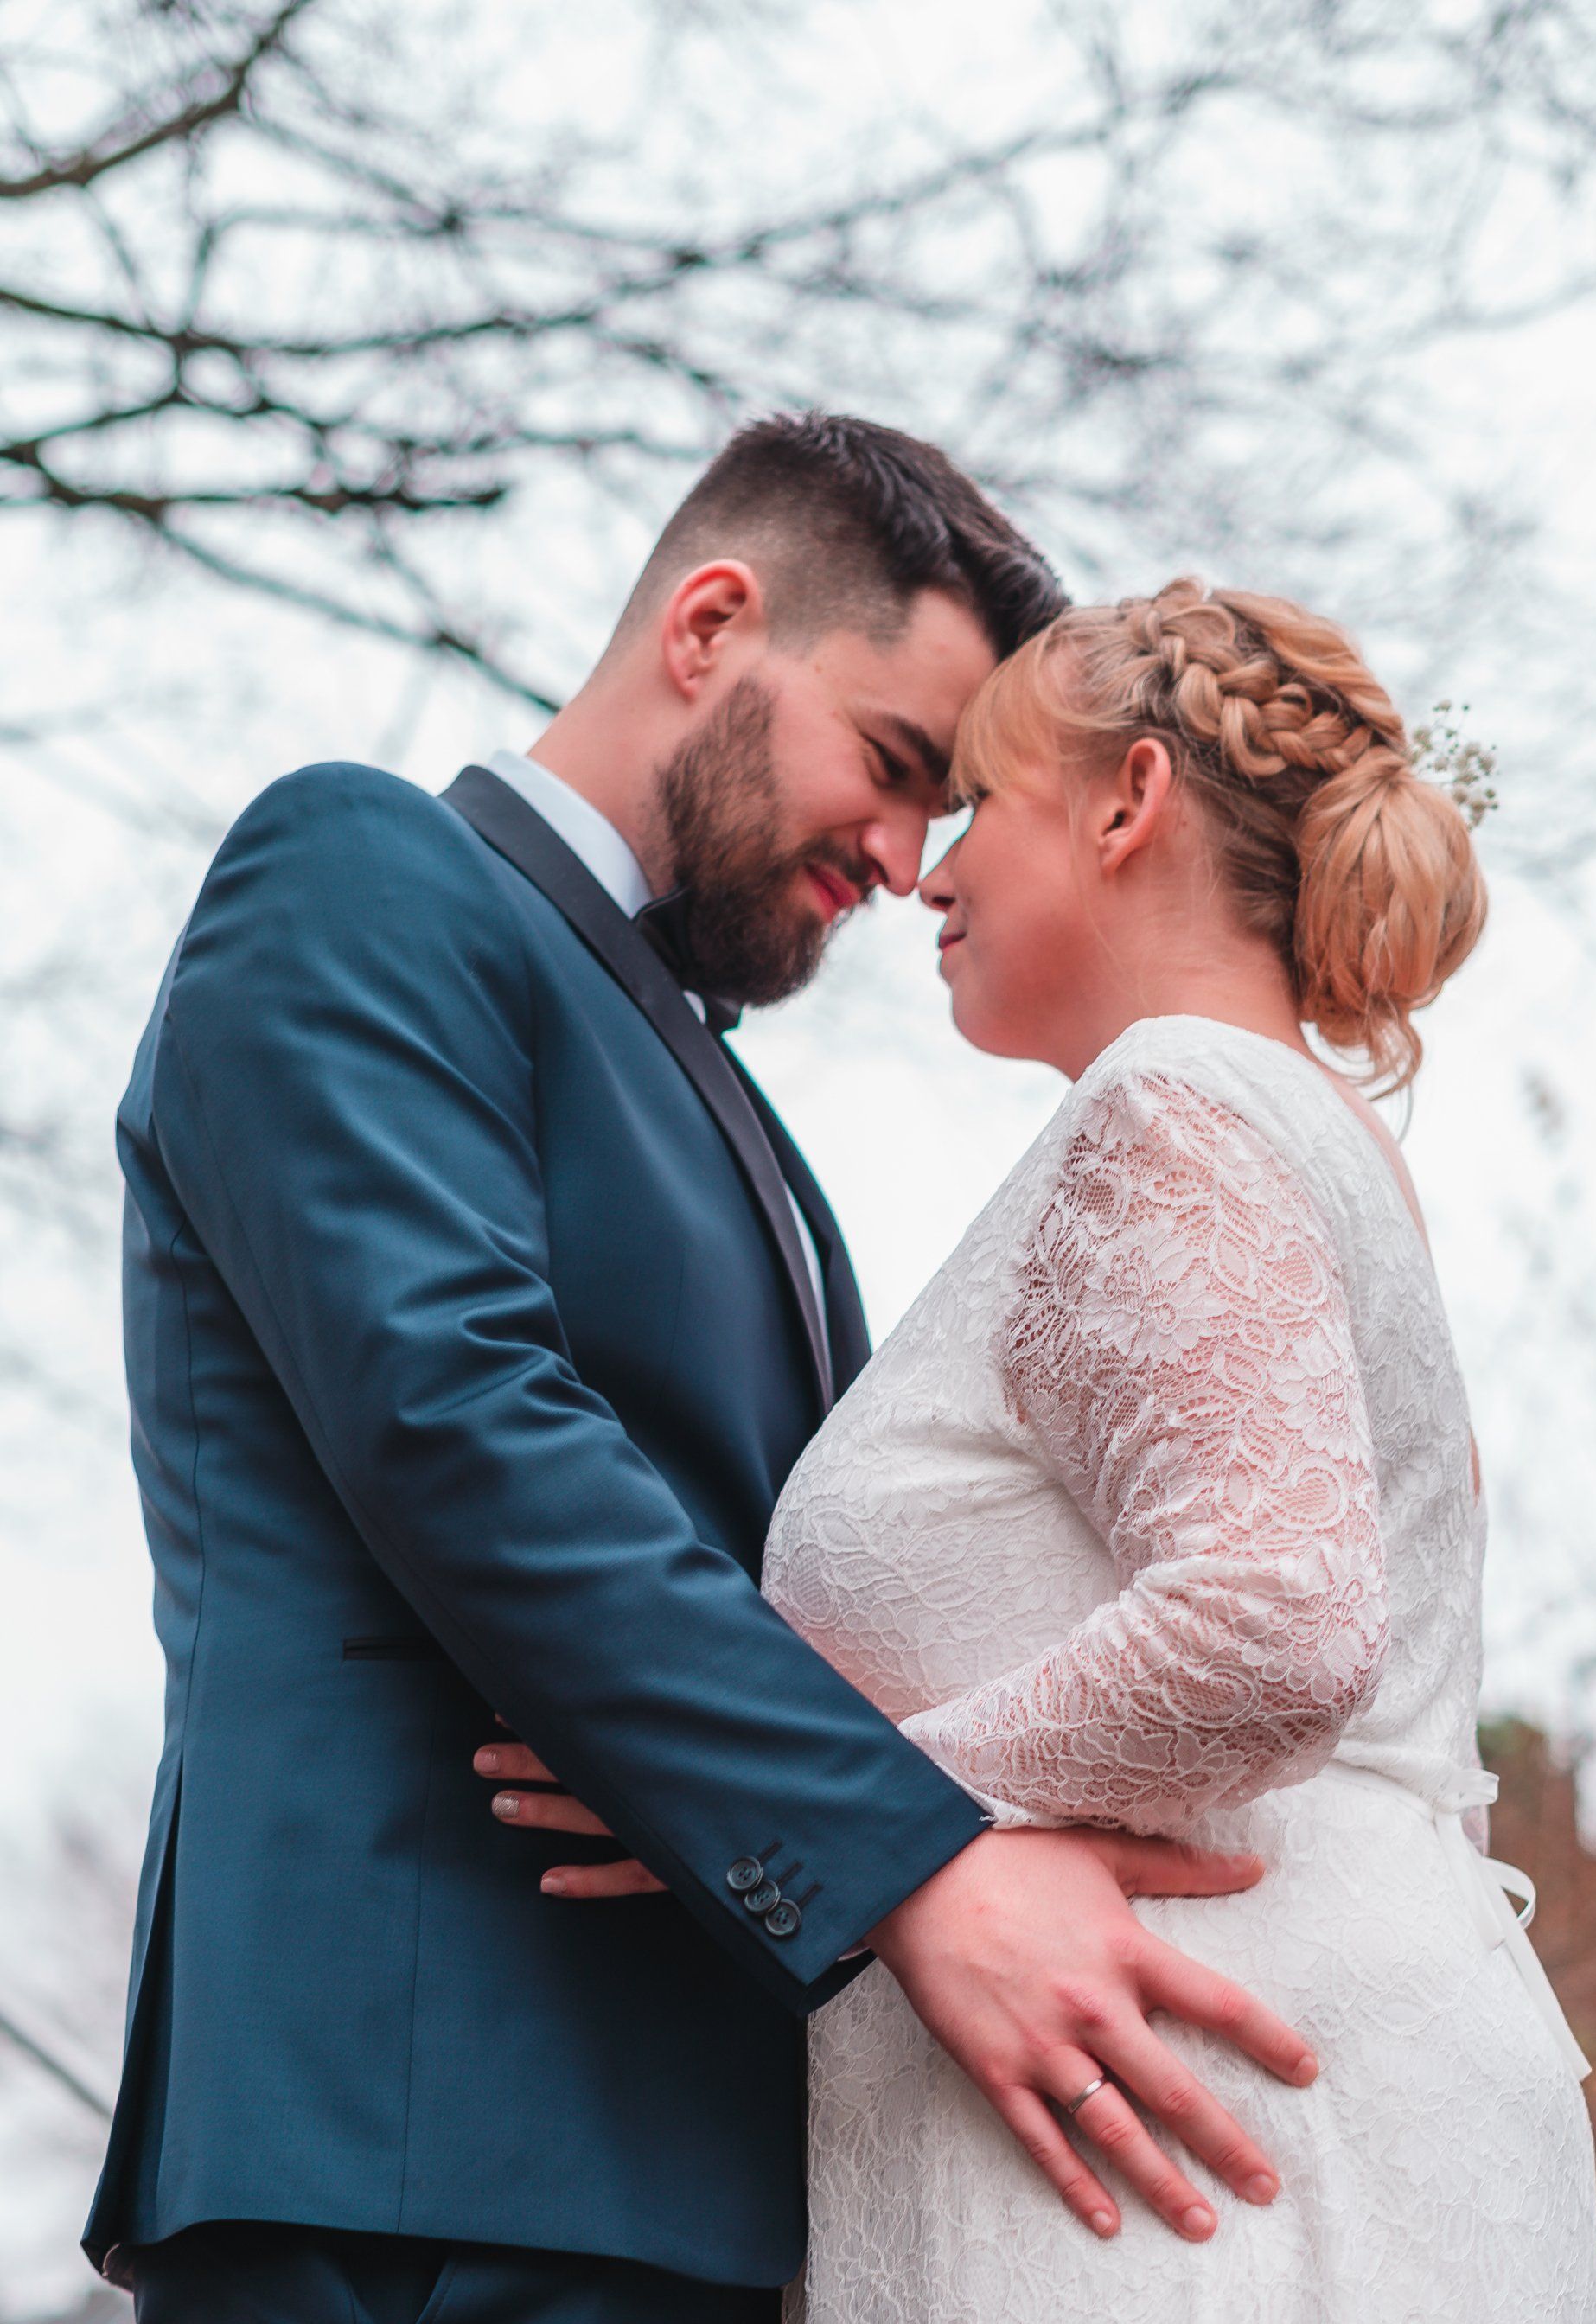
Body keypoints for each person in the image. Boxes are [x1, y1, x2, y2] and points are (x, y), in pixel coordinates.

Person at [89, 424, 1317, 2324]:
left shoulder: (728, 1106)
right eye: (895, 763)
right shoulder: (360, 870)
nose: (905, 861)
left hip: (698, 2169)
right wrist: (917, 1867)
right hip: (414, 2142)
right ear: (711, 624)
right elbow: (465, 1422)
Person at [522, 579, 1596, 2318]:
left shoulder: (1175, 1102)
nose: (927, 873)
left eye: (975, 804)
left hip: (1191, 2134)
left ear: (1129, 803)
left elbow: (1273, 1619)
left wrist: (798, 1810)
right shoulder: (1301, 1130)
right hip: (1234, 2096)